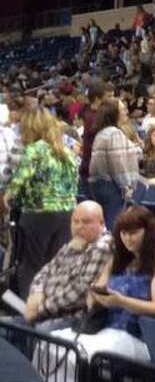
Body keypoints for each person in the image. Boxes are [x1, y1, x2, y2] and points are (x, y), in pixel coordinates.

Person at [43, 206, 155, 382]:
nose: (127, 238)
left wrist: (121, 301)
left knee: (82, 353)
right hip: (105, 328)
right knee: (50, 344)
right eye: (123, 233)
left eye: (133, 232)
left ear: (148, 232)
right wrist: (94, 297)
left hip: (137, 336)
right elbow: (95, 293)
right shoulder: (118, 259)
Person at [2, 107, 80, 297]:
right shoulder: (65, 150)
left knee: (30, 265)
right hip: (67, 212)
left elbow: (20, 179)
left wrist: (6, 198)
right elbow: (75, 180)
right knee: (54, 265)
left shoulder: (35, 149)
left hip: (38, 212)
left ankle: (27, 309)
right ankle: (48, 305)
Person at [23, 201, 113, 330]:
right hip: (42, 311)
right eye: (75, 222)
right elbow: (45, 272)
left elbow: (80, 293)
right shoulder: (76, 242)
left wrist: (40, 308)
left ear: (101, 223)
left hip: (71, 317)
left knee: (30, 332)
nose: (79, 226)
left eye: (86, 222)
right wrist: (36, 293)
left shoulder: (102, 247)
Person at [88, 98, 142, 230]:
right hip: (113, 187)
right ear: (114, 113)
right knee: (115, 225)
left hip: (99, 185)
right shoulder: (114, 133)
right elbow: (118, 163)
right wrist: (126, 186)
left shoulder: (102, 133)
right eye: (123, 109)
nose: (126, 111)